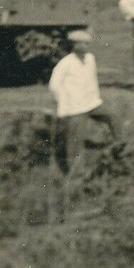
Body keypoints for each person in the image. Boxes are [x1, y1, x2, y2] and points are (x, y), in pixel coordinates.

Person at [48, 30, 119, 175]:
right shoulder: (65, 64)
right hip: (74, 107)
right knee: (75, 140)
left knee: (114, 117)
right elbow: (53, 85)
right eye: (79, 44)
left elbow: (92, 80)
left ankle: (121, 150)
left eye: (86, 44)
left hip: (92, 103)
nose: (83, 47)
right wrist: (64, 102)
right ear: (73, 46)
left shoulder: (90, 59)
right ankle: (76, 173)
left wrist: (95, 97)